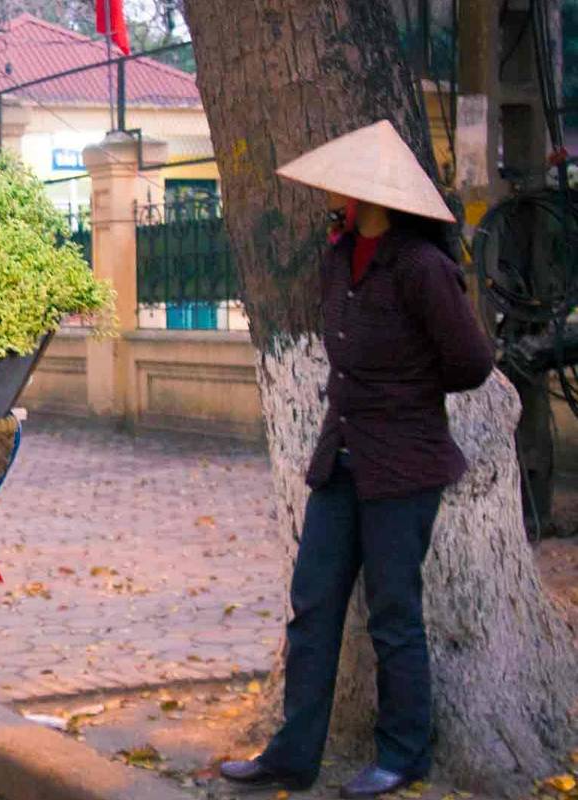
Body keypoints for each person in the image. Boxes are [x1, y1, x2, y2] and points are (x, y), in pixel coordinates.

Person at [220, 120, 494, 798]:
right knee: (312, 606)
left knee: (393, 615)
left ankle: (403, 755)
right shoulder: (340, 256)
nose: (334, 197)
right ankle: (292, 755)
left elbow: (471, 363)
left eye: (346, 187)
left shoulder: (423, 267)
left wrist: (404, 390)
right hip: (340, 461)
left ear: (374, 193)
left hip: (404, 467)